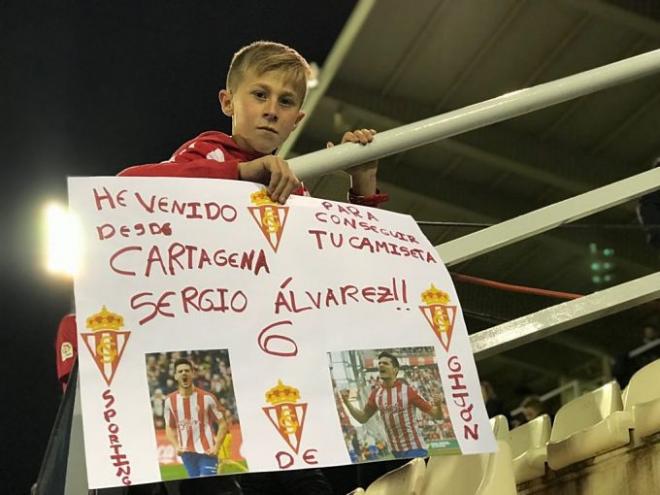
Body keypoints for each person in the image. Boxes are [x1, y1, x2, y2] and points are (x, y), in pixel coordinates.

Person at [118, 40, 387, 209]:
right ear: (227, 102)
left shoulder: (295, 184)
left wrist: (362, 182)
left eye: (285, 101)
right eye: (260, 95)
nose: (271, 111)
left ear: (297, 121)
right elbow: (125, 185)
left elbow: (349, 267)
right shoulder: (208, 152)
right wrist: (242, 172)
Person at [340, 351, 445, 459]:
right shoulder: (376, 394)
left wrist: (438, 405)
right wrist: (347, 402)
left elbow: (438, 416)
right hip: (395, 451)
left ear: (395, 370)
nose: (381, 365)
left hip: (415, 449)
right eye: (379, 363)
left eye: (385, 363)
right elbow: (362, 418)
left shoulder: (408, 391)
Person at [164, 358, 240, 494]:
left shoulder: (207, 398)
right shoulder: (170, 401)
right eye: (180, 371)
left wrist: (216, 447)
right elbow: (169, 427)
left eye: (187, 370)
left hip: (207, 452)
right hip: (186, 453)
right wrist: (176, 445)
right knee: (197, 488)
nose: (184, 373)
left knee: (208, 486)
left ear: (193, 373)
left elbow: (222, 423)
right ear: (175, 376)